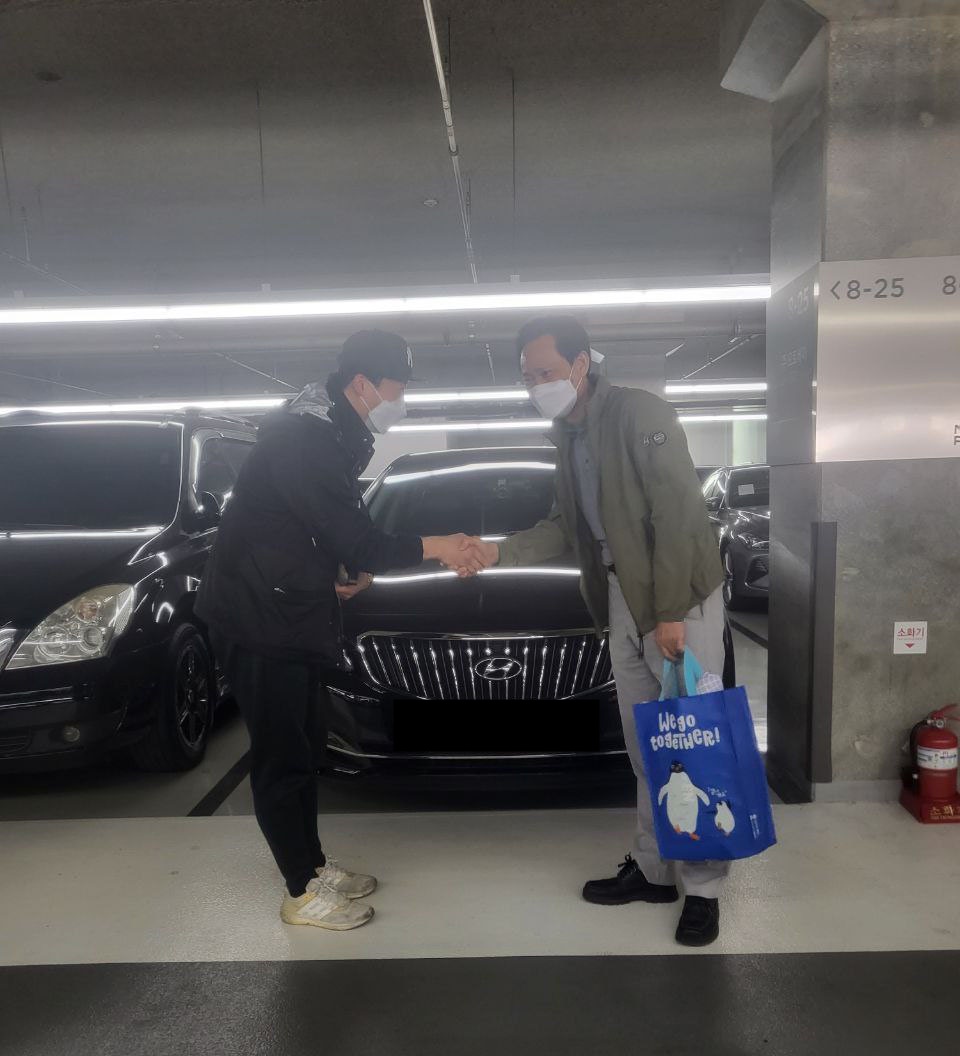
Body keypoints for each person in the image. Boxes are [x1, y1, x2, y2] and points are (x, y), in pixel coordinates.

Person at [196, 329, 486, 931]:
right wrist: (441, 547)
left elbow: (315, 528)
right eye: (396, 388)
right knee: (281, 756)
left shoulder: (330, 430)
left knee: (304, 748)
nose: (400, 399)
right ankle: (300, 893)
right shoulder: (306, 439)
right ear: (361, 384)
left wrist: (341, 569)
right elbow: (358, 536)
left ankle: (312, 864)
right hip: (258, 617)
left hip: (288, 607)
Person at [473, 315, 729, 946]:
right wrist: (495, 552)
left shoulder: (639, 414)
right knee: (646, 745)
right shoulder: (569, 434)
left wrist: (670, 611)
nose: (536, 385)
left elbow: (677, 513)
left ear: (581, 365)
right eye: (528, 376)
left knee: (690, 742)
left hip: (676, 597)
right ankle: (654, 869)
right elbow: (565, 526)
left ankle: (703, 889)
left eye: (545, 372)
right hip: (621, 594)